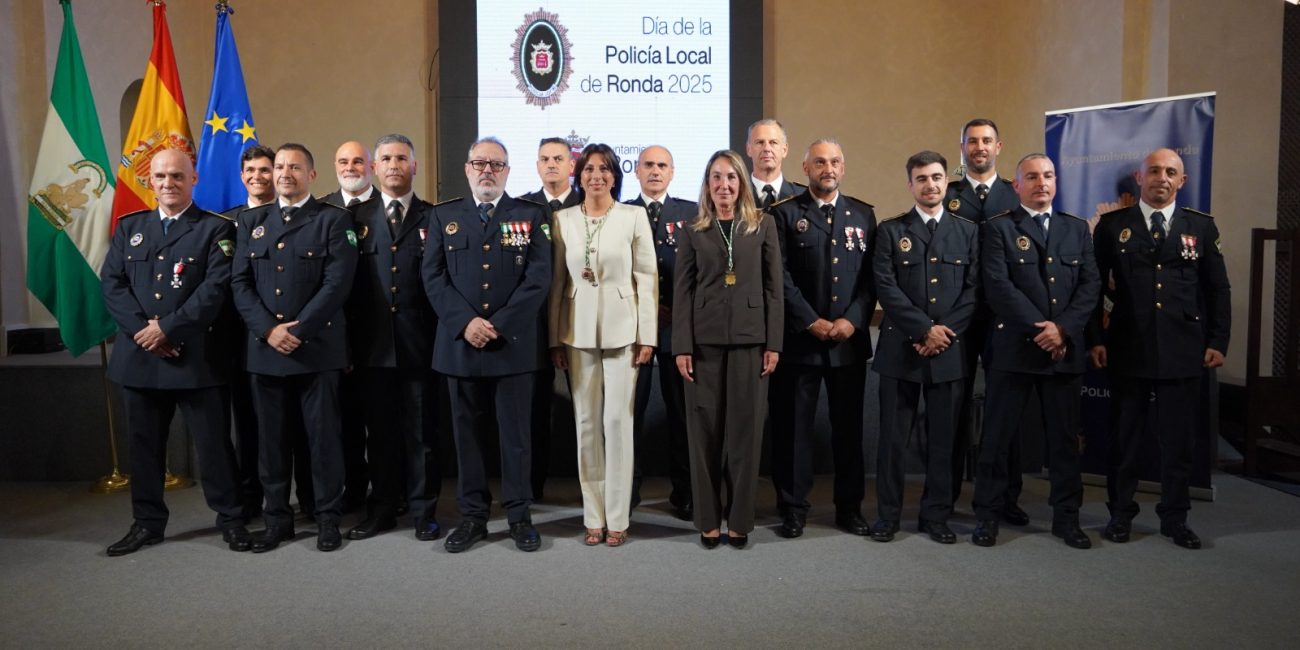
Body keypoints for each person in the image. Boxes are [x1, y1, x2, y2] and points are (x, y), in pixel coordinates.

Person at [101, 149, 247, 555]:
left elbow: (215, 290)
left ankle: (232, 520)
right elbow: (112, 285)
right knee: (144, 448)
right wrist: (143, 332)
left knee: (214, 446)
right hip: (141, 358)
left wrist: (167, 328)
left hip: (196, 358)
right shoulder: (130, 227)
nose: (168, 183)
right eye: (161, 177)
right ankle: (147, 523)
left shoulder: (217, 230)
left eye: (177, 177)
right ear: (151, 182)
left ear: (193, 180)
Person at [1088, 148, 1231, 549]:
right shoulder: (1114, 226)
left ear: (1181, 181)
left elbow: (1217, 289)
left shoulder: (1200, 227)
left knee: (1178, 441)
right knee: (1125, 440)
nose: (1161, 178)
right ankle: (1120, 515)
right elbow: (1093, 288)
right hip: (1127, 347)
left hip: (1183, 349)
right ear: (1140, 177)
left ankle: (1175, 517)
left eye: (1171, 172)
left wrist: (1218, 341)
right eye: (1154, 171)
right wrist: (1095, 340)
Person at [423, 136, 551, 553]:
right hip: (460, 346)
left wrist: (496, 325)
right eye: (479, 163)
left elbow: (538, 279)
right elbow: (433, 277)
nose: (487, 171)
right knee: (467, 438)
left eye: (496, 164)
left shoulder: (531, 214)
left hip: (510, 346)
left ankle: (518, 516)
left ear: (508, 172)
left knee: (515, 438)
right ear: (467, 169)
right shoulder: (444, 217)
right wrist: (466, 323)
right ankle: (473, 518)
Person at [231, 143, 359, 553]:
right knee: (271, 444)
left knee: (323, 441)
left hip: (316, 350)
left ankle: (327, 519)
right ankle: (276, 521)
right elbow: (240, 284)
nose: (284, 174)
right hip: (266, 351)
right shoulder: (250, 221)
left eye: (294, 167)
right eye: (279, 167)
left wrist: (297, 331)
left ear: (312, 175)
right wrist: (269, 330)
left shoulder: (333, 221)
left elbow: (337, 285)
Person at [972, 154, 1100, 549]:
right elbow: (997, 286)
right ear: (1017, 185)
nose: (1041, 182)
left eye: (1047, 176)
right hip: (1014, 352)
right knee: (997, 439)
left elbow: (1090, 286)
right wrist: (1040, 329)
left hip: (1063, 352)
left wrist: (1062, 330)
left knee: (1063, 441)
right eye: (1032, 176)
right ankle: (988, 517)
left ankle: (1067, 519)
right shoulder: (999, 229)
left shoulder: (1076, 229)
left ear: (1055, 181)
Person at [673, 150, 783, 549]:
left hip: (751, 342)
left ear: (742, 183)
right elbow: (681, 292)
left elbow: (774, 289)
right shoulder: (692, 230)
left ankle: (739, 520)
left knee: (744, 434)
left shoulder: (763, 226)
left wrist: (774, 343)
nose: (724, 185)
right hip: (702, 345)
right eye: (716, 178)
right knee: (703, 436)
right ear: (707, 184)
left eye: (731, 178)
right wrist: (681, 346)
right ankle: (708, 520)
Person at [549, 143, 658, 547]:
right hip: (576, 333)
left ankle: (618, 517)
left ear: (616, 175)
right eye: (589, 169)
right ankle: (592, 516)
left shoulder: (634, 216)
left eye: (605, 169)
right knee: (587, 425)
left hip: (624, 332)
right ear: (579, 176)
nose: (597, 175)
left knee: (617, 423)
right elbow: (558, 285)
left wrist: (648, 335)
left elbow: (647, 278)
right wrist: (552, 339)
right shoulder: (562, 220)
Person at [767, 139, 877, 538]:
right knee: (793, 432)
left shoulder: (863, 214)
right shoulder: (783, 214)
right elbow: (778, 277)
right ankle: (793, 508)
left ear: (843, 168)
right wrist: (809, 320)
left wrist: (853, 319)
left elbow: (871, 278)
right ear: (806, 167)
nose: (826, 168)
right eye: (819, 162)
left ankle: (849, 508)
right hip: (800, 342)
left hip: (848, 343)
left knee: (848, 430)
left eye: (833, 162)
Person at [870, 151, 980, 544]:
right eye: (921, 179)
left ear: (946, 182)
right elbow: (886, 286)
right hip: (902, 348)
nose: (930, 185)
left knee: (944, 441)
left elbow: (974, 291)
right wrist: (923, 330)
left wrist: (943, 332)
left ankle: (936, 516)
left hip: (949, 351)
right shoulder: (889, 230)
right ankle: (888, 516)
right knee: (892, 442)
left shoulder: (968, 231)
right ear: (910, 184)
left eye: (936, 177)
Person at [343, 134, 443, 543]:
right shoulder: (353, 218)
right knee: (379, 434)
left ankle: (424, 512)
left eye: (402, 158)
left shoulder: (434, 217)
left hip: (420, 345)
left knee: (423, 435)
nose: (394, 165)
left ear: (414, 166)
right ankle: (382, 508)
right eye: (386, 158)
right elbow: (344, 288)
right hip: (371, 347)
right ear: (374, 167)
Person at [944, 119, 1030, 526]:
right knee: (954, 408)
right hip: (958, 316)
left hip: (1004, 319)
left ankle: (1005, 496)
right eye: (972, 141)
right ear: (961, 147)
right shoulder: (947, 194)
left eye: (986, 141)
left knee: (1004, 410)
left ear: (1000, 146)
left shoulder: (1016, 195)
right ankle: (945, 497)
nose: (979, 147)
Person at [625, 145, 696, 519]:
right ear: (636, 171)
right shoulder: (621, 212)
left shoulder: (692, 213)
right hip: (633, 331)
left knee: (682, 415)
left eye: (662, 165)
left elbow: (704, 273)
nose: (655, 171)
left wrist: (677, 311)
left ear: (672, 172)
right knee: (628, 415)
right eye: (648, 165)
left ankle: (685, 491)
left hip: (677, 331)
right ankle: (628, 490)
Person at [519, 136, 580, 500]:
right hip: (535, 322)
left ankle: (593, 489)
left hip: (580, 319)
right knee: (534, 412)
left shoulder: (590, 203)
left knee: (589, 411)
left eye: (559, 158)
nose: (552, 164)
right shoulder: (523, 208)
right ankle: (532, 486)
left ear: (572, 165)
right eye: (544, 159)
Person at [320, 139, 375, 513]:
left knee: (388, 424)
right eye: (343, 161)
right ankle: (353, 491)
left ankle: (394, 491)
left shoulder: (387, 207)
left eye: (358, 161)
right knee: (345, 424)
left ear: (369, 165)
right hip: (332, 334)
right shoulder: (320, 209)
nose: (351, 167)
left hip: (381, 334)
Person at [746, 118, 805, 209]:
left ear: (784, 150)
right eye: (760, 142)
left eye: (773, 142)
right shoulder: (736, 195)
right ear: (748, 149)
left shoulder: (803, 196)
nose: (767, 149)